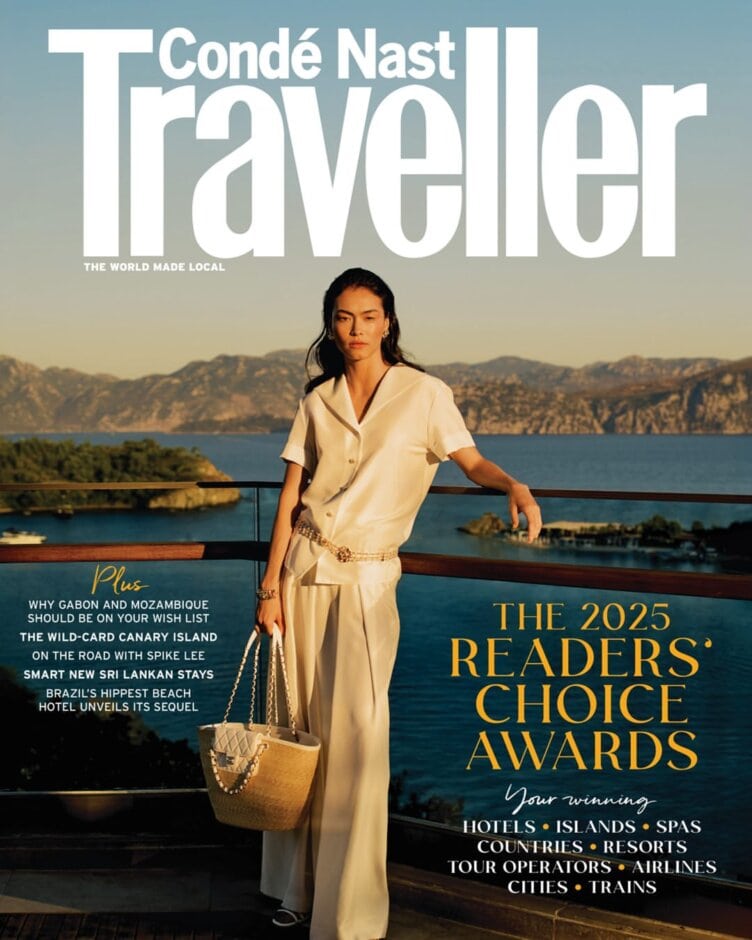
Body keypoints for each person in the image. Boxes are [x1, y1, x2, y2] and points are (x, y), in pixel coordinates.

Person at [255, 268, 541, 939]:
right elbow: (292, 496)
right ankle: (295, 888)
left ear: (388, 321)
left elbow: (470, 461)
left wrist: (512, 484)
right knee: (297, 733)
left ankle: (348, 914)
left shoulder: (424, 394)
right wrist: (269, 589)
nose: (355, 329)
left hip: (367, 582)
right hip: (301, 576)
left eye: (368, 315)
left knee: (357, 742)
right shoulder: (318, 399)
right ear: (331, 325)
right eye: (343, 316)